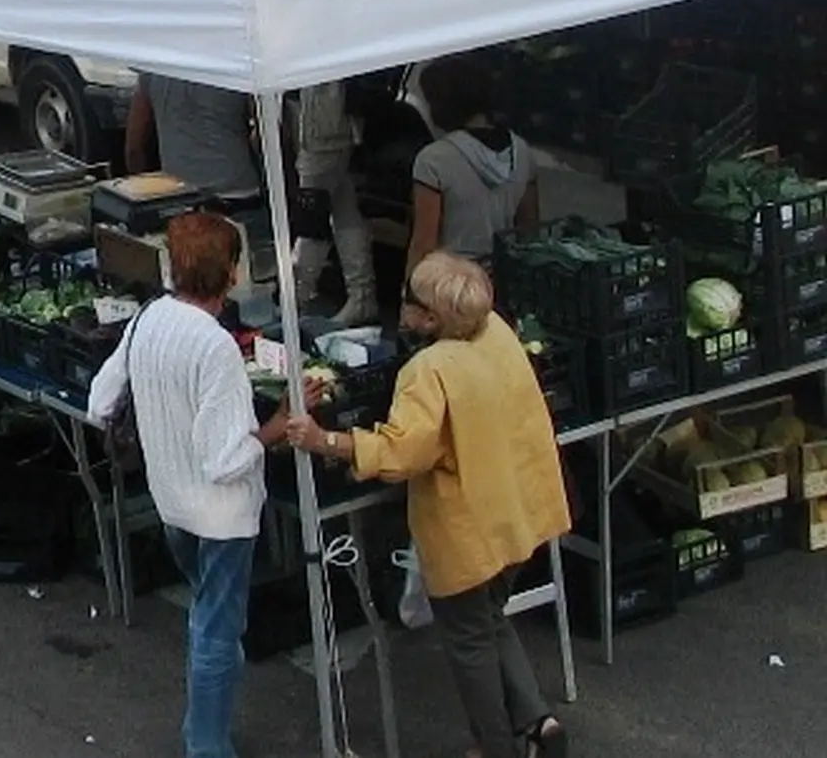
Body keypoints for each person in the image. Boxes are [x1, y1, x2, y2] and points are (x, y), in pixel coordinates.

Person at [288, 253, 570, 758]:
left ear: (433, 318)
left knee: (468, 641)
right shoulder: (499, 335)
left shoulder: (429, 369)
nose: (404, 309)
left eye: (411, 302)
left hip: (469, 530)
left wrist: (326, 440)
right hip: (521, 511)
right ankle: (538, 722)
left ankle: (495, 746)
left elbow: (402, 453)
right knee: (489, 617)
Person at [87, 213, 297, 758]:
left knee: (212, 616)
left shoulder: (148, 319)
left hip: (170, 499)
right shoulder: (217, 348)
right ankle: (206, 745)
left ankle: (208, 718)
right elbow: (226, 458)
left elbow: (99, 402)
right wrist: (274, 429)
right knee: (216, 630)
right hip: (221, 514)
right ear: (229, 274)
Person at [408, 53, 539, 282]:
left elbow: (423, 243)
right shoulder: (522, 150)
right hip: (503, 278)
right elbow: (528, 227)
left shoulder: (434, 160)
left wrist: (410, 295)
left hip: (450, 284)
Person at [292, 80, 378, 323]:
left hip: (324, 121)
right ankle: (361, 296)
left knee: (312, 211)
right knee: (343, 207)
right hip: (328, 119)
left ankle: (298, 296)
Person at [124, 72, 260, 197]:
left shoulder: (154, 65)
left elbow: (134, 149)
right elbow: (263, 135)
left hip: (179, 195)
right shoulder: (239, 62)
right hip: (238, 190)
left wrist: (147, 197)